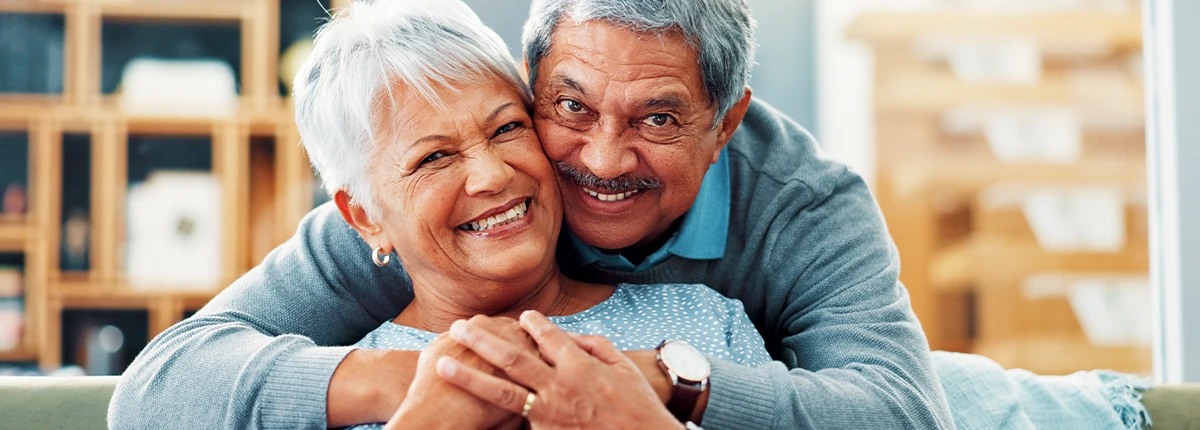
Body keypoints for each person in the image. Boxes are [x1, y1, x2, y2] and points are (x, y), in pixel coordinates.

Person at [110, 0, 957, 428]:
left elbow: (903, 410)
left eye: (658, 118)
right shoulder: (386, 225)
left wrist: (657, 383)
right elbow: (156, 388)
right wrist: (453, 383)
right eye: (569, 108)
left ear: (724, 126)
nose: (600, 159)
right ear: (532, 77)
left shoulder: (787, 225)